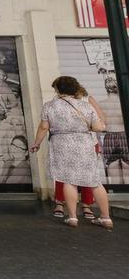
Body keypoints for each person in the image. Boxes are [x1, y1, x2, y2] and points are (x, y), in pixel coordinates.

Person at [30, 76, 113, 229]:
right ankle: (106, 218)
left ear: (58, 89)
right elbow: (98, 127)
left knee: (68, 180)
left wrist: (36, 143)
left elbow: (43, 127)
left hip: (61, 144)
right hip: (84, 144)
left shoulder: (50, 106)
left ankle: (73, 217)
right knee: (94, 181)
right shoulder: (86, 106)